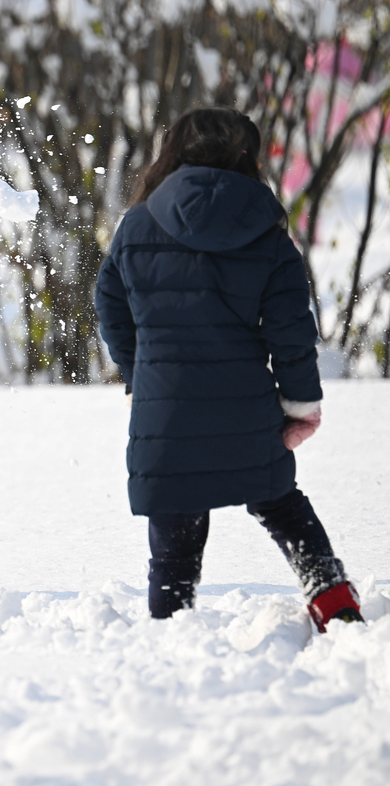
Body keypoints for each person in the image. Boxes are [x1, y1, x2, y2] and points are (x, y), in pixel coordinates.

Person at [94, 107, 362, 632]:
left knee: (174, 529)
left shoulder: (139, 224)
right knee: (281, 503)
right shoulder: (266, 229)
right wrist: (300, 404)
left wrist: (139, 375)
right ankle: (333, 601)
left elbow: (110, 306)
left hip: (166, 414)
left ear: (172, 152)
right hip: (247, 409)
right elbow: (291, 328)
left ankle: (172, 625)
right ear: (247, 157)